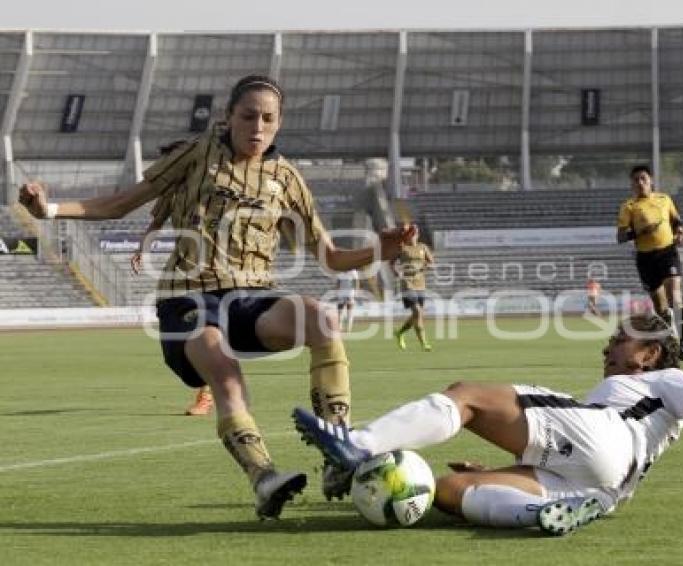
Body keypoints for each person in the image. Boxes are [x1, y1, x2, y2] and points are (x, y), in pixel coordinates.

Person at [19, 74, 414, 518]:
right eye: (248, 116)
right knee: (223, 371)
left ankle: (338, 451)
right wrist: (47, 211)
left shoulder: (286, 178)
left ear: (279, 124)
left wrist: (383, 248)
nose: (258, 127)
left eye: (268, 119)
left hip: (250, 300)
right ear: (229, 117)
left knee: (321, 319)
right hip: (187, 300)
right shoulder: (196, 152)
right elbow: (119, 203)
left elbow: (332, 257)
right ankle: (264, 476)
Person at [292, 313, 683, 536]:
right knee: (451, 489)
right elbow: (575, 449)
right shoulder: (627, 393)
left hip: (604, 438)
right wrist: (502, 467)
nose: (609, 344)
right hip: (603, 486)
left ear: (651, 353)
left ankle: (356, 442)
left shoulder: (668, 380)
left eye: (621, 339)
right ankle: (545, 513)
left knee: (467, 395)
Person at [129, 139, 214, 417]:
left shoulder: (211, 183)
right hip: (180, 267)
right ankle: (210, 383)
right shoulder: (171, 191)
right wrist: (142, 249)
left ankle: (207, 394)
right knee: (174, 334)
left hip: (214, 266)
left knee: (208, 328)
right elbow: (155, 223)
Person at [617, 165, 683, 361]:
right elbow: (621, 236)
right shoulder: (629, 207)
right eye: (636, 180)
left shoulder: (664, 200)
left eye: (643, 178)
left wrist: (680, 233)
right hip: (646, 258)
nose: (640, 183)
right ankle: (671, 339)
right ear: (631, 184)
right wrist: (640, 231)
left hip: (668, 252)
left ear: (651, 181)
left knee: (675, 294)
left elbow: (677, 221)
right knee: (661, 307)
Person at [392, 225, 434, 351]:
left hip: (420, 284)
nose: (412, 236)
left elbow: (431, 262)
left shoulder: (423, 247)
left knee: (417, 315)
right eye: (410, 233)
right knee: (417, 312)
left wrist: (425, 267)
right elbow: (392, 262)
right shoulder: (402, 247)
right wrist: (396, 271)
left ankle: (400, 332)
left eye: (414, 233)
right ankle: (424, 343)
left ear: (417, 234)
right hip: (407, 283)